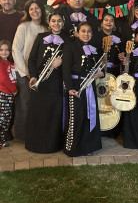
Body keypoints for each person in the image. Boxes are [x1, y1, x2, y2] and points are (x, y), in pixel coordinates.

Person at [25, 11, 68, 153]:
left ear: (63, 22)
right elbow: (31, 59)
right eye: (53, 21)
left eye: (59, 21)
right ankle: (35, 144)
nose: (56, 24)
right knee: (38, 114)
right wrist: (33, 76)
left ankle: (52, 145)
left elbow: (72, 60)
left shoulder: (68, 40)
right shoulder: (41, 37)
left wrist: (62, 60)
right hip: (40, 82)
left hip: (56, 83)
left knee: (53, 114)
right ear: (49, 23)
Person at [62, 21, 103, 157]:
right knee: (76, 117)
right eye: (83, 31)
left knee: (89, 116)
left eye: (89, 31)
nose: (86, 34)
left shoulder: (94, 48)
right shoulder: (70, 46)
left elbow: (99, 67)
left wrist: (101, 73)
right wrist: (69, 88)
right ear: (77, 33)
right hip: (76, 87)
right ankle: (73, 148)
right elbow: (66, 69)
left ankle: (88, 146)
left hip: (90, 86)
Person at [12, 0, 48, 141]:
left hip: (41, 73)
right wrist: (26, 72)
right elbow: (16, 50)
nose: (35, 11)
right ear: (27, 12)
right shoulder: (24, 27)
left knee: (38, 104)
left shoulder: (47, 28)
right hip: (24, 72)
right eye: (31, 9)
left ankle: (36, 133)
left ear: (42, 10)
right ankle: (23, 136)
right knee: (24, 104)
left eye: (37, 8)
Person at [0, 0, 23, 141]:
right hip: (1, 59)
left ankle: (8, 129)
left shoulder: (21, 16)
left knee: (14, 95)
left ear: (14, 1)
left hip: (15, 61)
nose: (6, 2)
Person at [97, 13, 122, 138]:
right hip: (100, 72)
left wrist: (122, 57)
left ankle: (113, 128)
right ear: (102, 23)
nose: (108, 22)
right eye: (106, 20)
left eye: (111, 20)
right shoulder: (96, 37)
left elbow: (124, 54)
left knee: (113, 98)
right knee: (100, 97)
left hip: (115, 72)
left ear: (114, 24)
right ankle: (101, 127)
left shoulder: (119, 38)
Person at [0, 40, 17, 148]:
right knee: (2, 119)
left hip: (10, 95)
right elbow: (3, 79)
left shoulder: (11, 64)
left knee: (6, 119)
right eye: (1, 50)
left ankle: (2, 139)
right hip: (3, 94)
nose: (4, 52)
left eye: (7, 50)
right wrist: (14, 89)